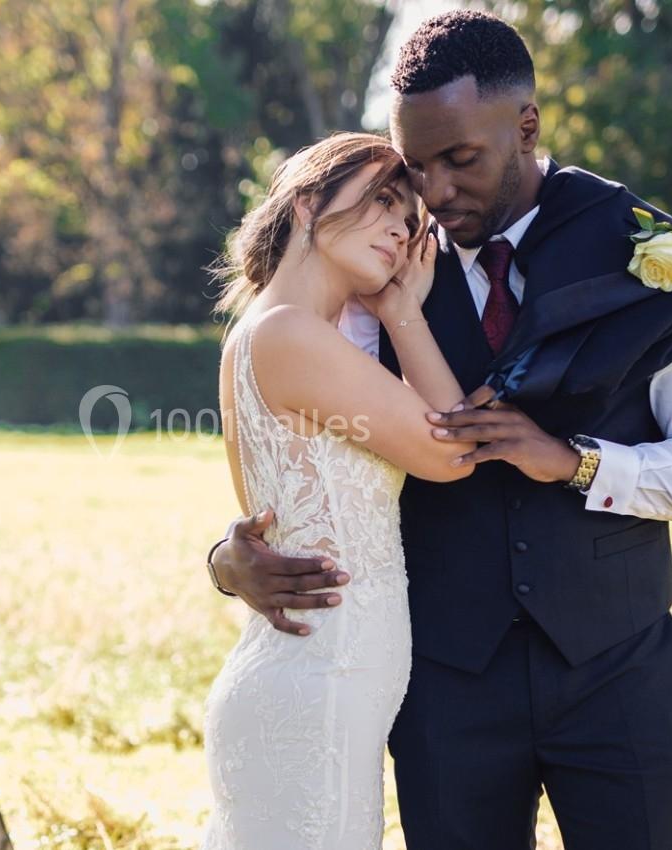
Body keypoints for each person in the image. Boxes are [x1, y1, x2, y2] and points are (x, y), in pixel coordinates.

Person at [205, 11, 672, 849]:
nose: (436, 195)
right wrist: (229, 562)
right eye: (416, 168)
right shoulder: (377, 275)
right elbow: (299, 446)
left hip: (618, 677)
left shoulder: (651, 255)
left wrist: (576, 462)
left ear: (526, 125)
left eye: (462, 160)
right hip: (443, 692)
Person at [199, 131, 477, 850]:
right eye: (384, 200)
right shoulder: (290, 333)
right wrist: (403, 313)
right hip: (315, 687)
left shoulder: (258, 334)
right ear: (305, 203)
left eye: (410, 220)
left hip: (314, 682)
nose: (400, 227)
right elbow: (452, 451)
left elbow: (266, 519)